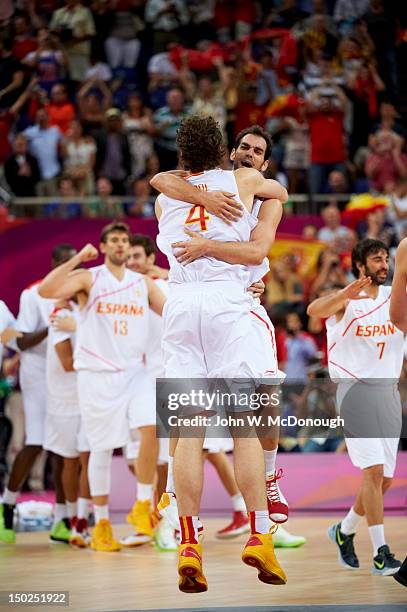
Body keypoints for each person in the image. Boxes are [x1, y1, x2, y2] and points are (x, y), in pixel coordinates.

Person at [153, 123, 306, 548]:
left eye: (257, 150)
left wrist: (208, 247)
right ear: (229, 151)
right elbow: (163, 179)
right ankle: (227, 514)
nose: (248, 153)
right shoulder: (210, 185)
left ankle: (269, 477)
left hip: (243, 299)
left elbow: (261, 243)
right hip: (226, 302)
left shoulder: (263, 196)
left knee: (260, 407)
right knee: (219, 419)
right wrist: (203, 199)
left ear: (265, 161)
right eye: (243, 146)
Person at [38, 222, 166, 553]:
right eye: (115, 240)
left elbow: (172, 311)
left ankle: (141, 506)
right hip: (96, 375)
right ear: (104, 246)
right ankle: (103, 523)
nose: (121, 245)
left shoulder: (143, 283)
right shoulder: (89, 278)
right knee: (102, 449)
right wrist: (77, 258)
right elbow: (47, 290)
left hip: (134, 372)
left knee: (151, 427)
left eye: (125, 240)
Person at [307, 238, 403, 576]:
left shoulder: (397, 297)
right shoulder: (347, 301)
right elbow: (313, 311)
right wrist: (343, 294)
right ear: (360, 266)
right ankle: (380, 552)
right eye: (376, 259)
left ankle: (344, 531)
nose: (383, 264)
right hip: (355, 392)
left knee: (384, 481)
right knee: (373, 473)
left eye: (385, 259)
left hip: (389, 393)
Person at [0, 244, 77, 545]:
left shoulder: (81, 292)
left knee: (63, 447)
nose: (72, 270)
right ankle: (7, 507)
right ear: (55, 265)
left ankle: (62, 519)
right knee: (36, 441)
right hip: (36, 372)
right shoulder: (33, 294)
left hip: (68, 371)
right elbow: (18, 341)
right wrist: (52, 327)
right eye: (66, 264)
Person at [44, 299, 91, 548]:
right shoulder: (59, 316)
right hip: (64, 401)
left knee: (89, 459)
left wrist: (81, 327)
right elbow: (68, 363)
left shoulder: (85, 312)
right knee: (70, 462)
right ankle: (72, 519)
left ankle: (81, 522)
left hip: (89, 395)